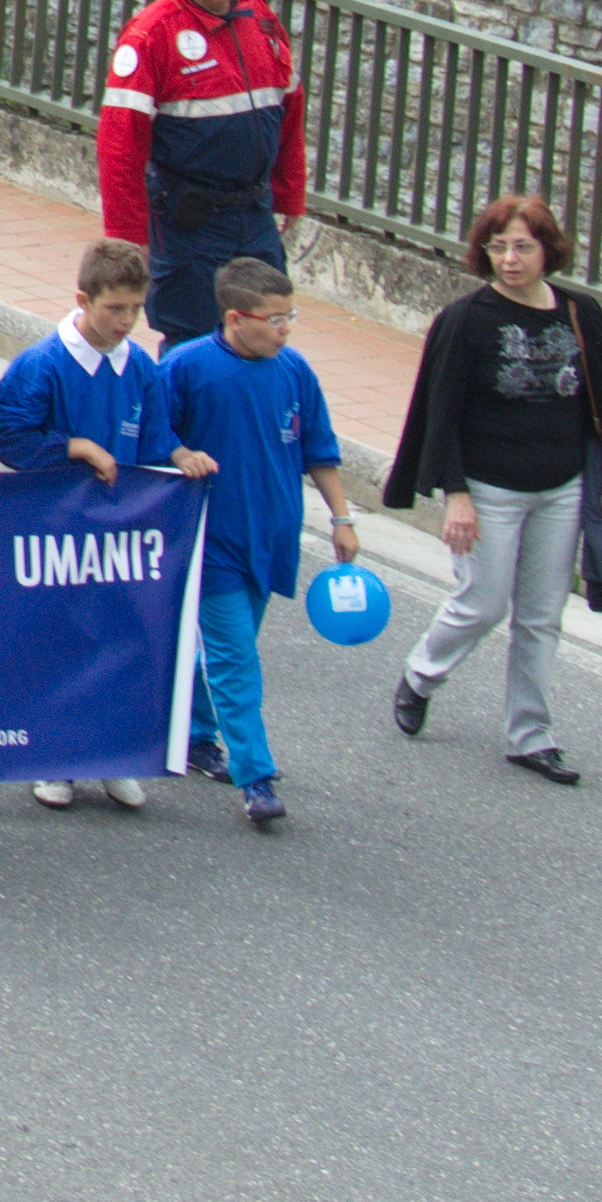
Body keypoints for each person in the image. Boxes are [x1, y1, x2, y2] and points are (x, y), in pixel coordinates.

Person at [384, 194, 602, 787]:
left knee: (543, 615)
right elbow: (439, 413)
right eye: (498, 247)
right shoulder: (466, 320)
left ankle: (531, 736)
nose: (510, 259)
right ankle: (422, 674)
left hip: (562, 487)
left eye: (523, 246)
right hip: (488, 488)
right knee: (483, 602)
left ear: (548, 249)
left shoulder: (580, 313)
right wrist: (457, 494)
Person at [0, 237, 220, 810]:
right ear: (82, 299)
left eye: (135, 309)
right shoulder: (43, 364)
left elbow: (154, 438)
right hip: (56, 530)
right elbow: (13, 439)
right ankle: (57, 760)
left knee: (121, 642)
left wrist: (177, 456)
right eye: (113, 309)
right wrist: (74, 447)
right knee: (60, 644)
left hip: (117, 535)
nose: (126, 322)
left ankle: (111, 755)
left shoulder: (141, 368)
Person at [162, 257, 359, 828]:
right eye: (276, 319)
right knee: (236, 657)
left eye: (290, 316)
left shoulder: (294, 370)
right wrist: (179, 457)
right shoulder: (186, 368)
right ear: (235, 319)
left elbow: (320, 450)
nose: (286, 328)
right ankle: (256, 775)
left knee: (232, 645)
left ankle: (196, 735)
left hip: (270, 537)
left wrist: (342, 519)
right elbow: (155, 436)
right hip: (210, 542)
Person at [103, 0, 306, 346]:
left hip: (254, 214)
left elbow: (290, 111)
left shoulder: (262, 20)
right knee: (192, 339)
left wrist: (289, 193)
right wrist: (127, 236)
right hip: (188, 222)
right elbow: (120, 145)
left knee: (267, 330)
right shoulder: (151, 34)